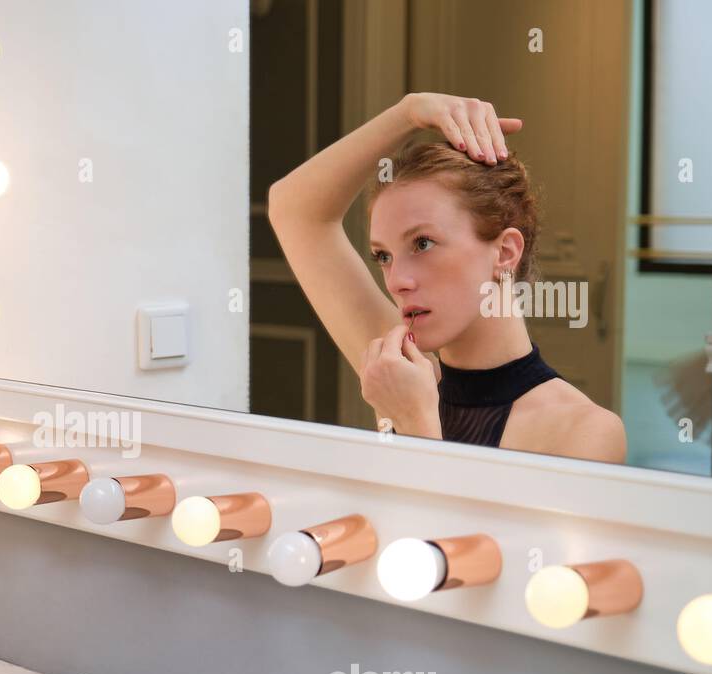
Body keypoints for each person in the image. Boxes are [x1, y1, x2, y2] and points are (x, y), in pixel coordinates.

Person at [267, 91, 625, 462]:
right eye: (383, 256)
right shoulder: (404, 373)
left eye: (422, 243)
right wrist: (408, 112)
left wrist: (414, 424)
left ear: (505, 252)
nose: (396, 282)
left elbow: (447, 523)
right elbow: (293, 209)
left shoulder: (584, 432)